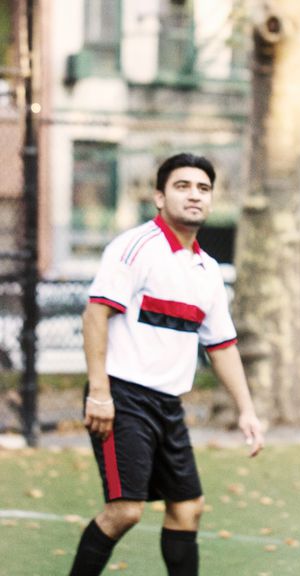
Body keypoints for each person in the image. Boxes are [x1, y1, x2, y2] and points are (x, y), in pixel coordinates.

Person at [69, 153, 264, 576]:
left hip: (167, 404)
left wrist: (246, 409)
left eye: (203, 188)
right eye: (182, 186)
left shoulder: (207, 270)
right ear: (159, 197)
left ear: (211, 200)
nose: (194, 195)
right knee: (124, 511)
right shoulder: (135, 246)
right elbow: (95, 316)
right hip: (122, 397)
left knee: (188, 508)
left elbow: (223, 345)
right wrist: (99, 392)